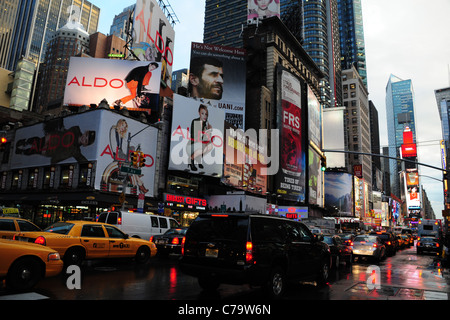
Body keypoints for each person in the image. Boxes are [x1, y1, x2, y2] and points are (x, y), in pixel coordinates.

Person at [15, 126, 95, 164]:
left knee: (34, 150)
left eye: (86, 141)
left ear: (85, 144)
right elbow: (63, 131)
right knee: (38, 141)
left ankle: (22, 151)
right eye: (86, 135)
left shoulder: (75, 151)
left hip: (49, 150)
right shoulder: (76, 129)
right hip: (51, 139)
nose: (84, 138)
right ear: (85, 132)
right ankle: (26, 142)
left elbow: (83, 161)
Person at [186, 104, 214, 171]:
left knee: (210, 146)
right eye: (202, 113)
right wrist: (204, 132)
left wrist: (209, 131)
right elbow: (195, 137)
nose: (204, 116)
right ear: (199, 113)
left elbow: (206, 139)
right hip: (192, 144)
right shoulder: (195, 121)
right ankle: (191, 160)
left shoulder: (205, 124)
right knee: (202, 146)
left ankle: (198, 159)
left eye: (206, 114)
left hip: (199, 144)